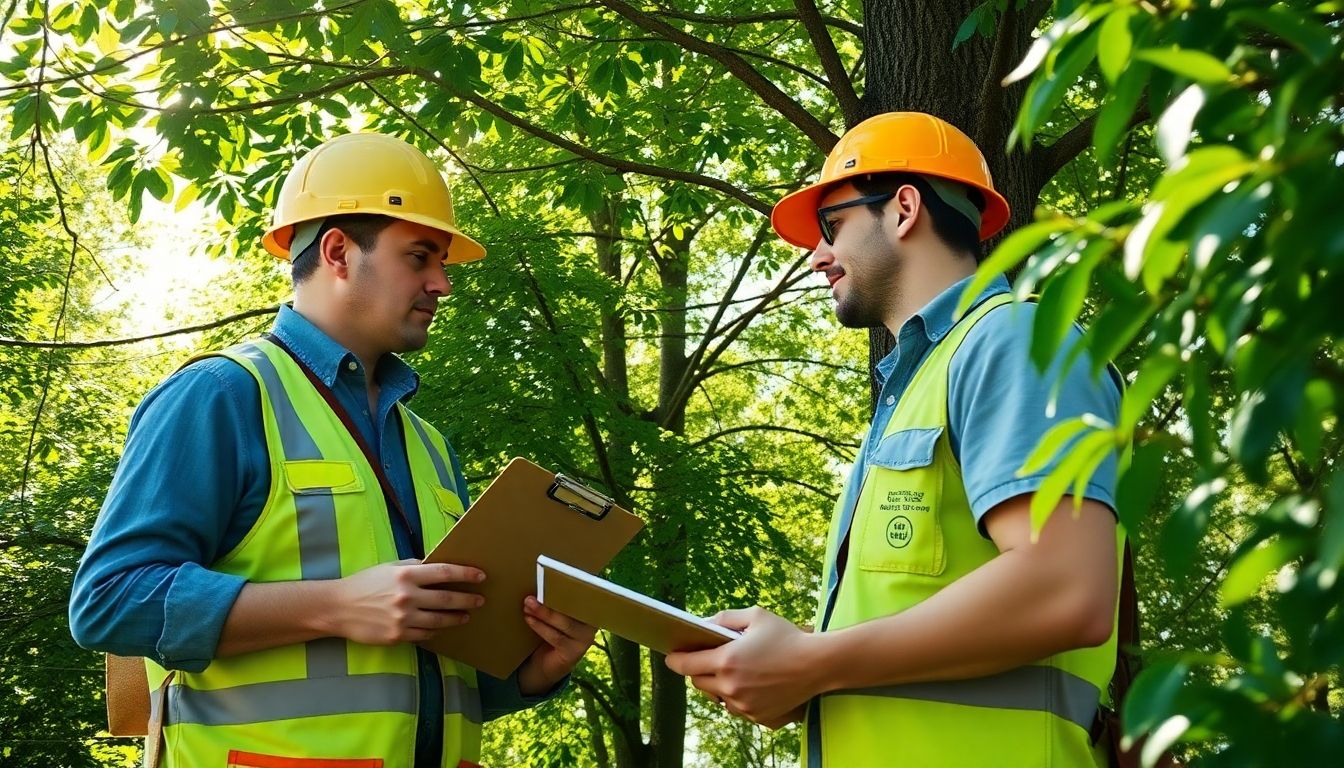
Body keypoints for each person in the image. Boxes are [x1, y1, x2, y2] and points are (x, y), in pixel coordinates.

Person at [70, 133, 594, 768]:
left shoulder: (428, 445)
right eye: (421, 257)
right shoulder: (222, 394)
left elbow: (424, 679)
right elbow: (110, 601)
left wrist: (534, 670)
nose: (442, 284)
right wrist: (337, 605)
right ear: (338, 251)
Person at [665, 112, 1125, 767]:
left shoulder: (1014, 340)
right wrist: (793, 669)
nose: (817, 256)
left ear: (904, 209)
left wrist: (813, 661)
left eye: (831, 226)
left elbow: (1064, 588)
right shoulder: (919, 388)